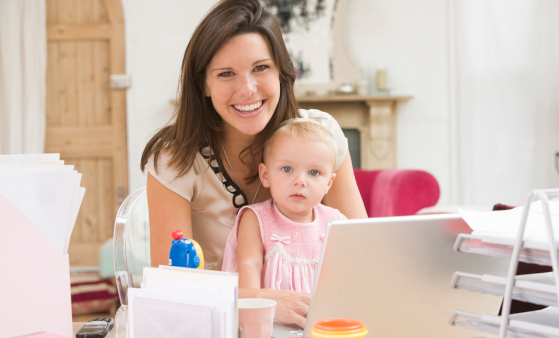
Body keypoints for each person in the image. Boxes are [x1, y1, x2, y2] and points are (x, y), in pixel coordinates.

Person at [140, 0, 367, 328]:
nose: (247, 90)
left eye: (261, 68)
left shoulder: (323, 135)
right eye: (226, 74)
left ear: (282, 72)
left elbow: (360, 251)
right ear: (203, 83)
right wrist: (263, 299)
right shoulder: (174, 159)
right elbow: (172, 286)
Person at [222, 119, 347, 295]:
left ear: (329, 182)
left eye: (314, 172)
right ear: (265, 175)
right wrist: (254, 313)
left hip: (324, 319)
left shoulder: (337, 222)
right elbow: (249, 266)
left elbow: (350, 273)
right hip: (272, 318)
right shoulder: (256, 219)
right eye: (287, 169)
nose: (300, 181)